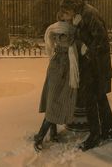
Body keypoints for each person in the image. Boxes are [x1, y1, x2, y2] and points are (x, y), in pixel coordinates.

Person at [60, 0, 112, 151]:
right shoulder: (83, 14)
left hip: (96, 65)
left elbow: (101, 40)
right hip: (94, 64)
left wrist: (87, 49)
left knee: (91, 99)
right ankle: (109, 130)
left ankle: (95, 136)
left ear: (72, 8)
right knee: (100, 98)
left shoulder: (88, 14)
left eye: (66, 12)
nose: (67, 16)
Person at [33, 12, 79, 152]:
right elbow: (68, 41)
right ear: (62, 17)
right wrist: (76, 27)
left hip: (61, 67)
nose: (70, 16)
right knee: (54, 101)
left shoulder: (64, 29)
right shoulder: (60, 30)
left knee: (54, 100)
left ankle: (53, 134)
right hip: (60, 68)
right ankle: (39, 137)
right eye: (67, 15)